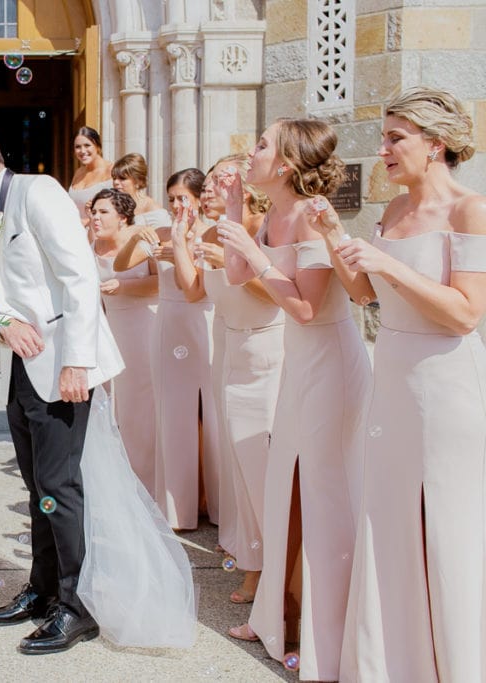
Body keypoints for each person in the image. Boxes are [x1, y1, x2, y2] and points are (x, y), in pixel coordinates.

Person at [310, 88, 484, 682]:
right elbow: (363, 295)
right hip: (393, 380)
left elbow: (465, 313)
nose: (381, 148)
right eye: (383, 137)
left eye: (394, 138)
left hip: (445, 387)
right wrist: (336, 233)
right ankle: (391, 664)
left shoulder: (469, 209)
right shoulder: (391, 213)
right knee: (386, 518)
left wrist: (390, 265)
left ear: (435, 145)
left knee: (448, 525)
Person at [0, 122, 125, 655]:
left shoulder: (39, 191)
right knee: (36, 484)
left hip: (62, 365)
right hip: (18, 370)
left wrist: (77, 363)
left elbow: (80, 276)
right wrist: (1, 324)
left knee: (59, 488)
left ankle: (76, 606)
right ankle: (42, 591)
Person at [220, 119, 371, 680]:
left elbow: (307, 307)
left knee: (323, 496)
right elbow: (237, 277)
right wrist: (234, 215)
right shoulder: (273, 212)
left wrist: (257, 259)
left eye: (261, 143)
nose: (251, 150)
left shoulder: (312, 215)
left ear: (284, 164)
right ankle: (278, 616)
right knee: (286, 488)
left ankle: (329, 632)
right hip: (300, 366)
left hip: (330, 364)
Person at [186, 155, 282, 605]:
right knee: (240, 468)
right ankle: (252, 566)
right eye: (208, 184)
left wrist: (236, 257)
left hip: (268, 352)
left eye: (220, 183)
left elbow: (280, 295)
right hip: (228, 349)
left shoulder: (268, 228)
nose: (210, 191)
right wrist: (185, 240)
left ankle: (279, 574)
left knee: (263, 467)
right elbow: (193, 291)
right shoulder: (210, 233)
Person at [117, 169, 221, 531]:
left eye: (184, 198)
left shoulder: (211, 234)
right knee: (174, 414)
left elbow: (196, 286)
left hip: (202, 323)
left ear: (197, 198)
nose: (177, 205)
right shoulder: (160, 232)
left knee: (210, 416)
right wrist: (134, 239)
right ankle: (179, 506)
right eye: (172, 197)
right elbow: (120, 265)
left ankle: (215, 502)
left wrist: (179, 250)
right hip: (168, 325)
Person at [88, 189, 161, 494]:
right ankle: (113, 482)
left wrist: (126, 286)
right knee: (110, 406)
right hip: (106, 330)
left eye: (103, 212)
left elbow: (160, 283)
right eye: (93, 211)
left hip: (142, 327)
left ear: (123, 218)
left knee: (139, 407)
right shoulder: (88, 244)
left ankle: (144, 481)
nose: (95, 217)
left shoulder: (143, 242)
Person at [66, 126, 112, 227]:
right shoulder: (78, 172)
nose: (82, 151)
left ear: (97, 146)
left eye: (87, 145)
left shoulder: (111, 171)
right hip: (76, 233)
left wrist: (87, 221)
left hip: (98, 235)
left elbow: (120, 208)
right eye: (78, 147)